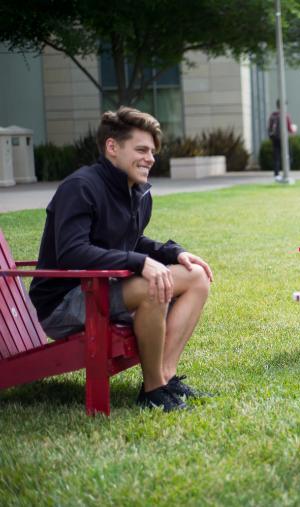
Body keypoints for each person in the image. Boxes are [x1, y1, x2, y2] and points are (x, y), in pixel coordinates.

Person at [29, 107, 213, 413]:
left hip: (102, 287)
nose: (150, 158)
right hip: (64, 301)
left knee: (196, 277)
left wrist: (172, 252)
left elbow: (130, 240)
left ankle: (164, 377)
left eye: (152, 151)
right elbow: (73, 251)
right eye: (141, 149)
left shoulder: (138, 192)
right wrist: (140, 263)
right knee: (153, 282)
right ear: (112, 147)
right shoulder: (80, 187)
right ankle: (153, 391)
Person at [268, 99, 297, 180]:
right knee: (288, 155)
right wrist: (294, 129)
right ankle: (286, 171)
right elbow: (290, 129)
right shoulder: (285, 115)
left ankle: (276, 174)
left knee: (276, 157)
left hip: (275, 139)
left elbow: (269, 128)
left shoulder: (272, 115)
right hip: (283, 139)